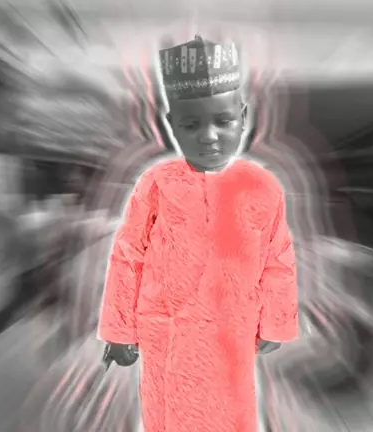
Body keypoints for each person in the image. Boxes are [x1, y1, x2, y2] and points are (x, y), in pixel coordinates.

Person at [98, 35, 299, 432]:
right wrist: (120, 331)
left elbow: (278, 258)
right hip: (167, 334)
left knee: (232, 415)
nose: (209, 136)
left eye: (223, 121)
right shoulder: (156, 183)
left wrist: (276, 320)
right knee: (168, 416)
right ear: (171, 124)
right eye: (191, 124)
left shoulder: (262, 186)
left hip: (232, 333)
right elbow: (128, 255)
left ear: (243, 116)